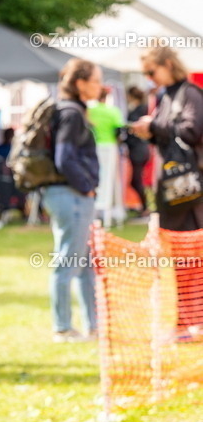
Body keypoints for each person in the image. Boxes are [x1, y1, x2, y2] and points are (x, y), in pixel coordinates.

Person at [131, 46, 203, 334]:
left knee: (192, 256)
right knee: (182, 259)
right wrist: (151, 131)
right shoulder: (165, 96)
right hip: (173, 190)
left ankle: (193, 321)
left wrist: (155, 126)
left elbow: (191, 131)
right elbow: (168, 134)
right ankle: (189, 321)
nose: (150, 78)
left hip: (190, 192)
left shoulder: (190, 93)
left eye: (152, 71)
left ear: (168, 64)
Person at [41, 60, 101, 342]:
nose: (100, 86)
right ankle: (63, 328)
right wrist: (87, 187)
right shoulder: (71, 113)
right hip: (71, 195)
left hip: (66, 195)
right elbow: (64, 158)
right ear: (80, 83)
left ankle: (93, 325)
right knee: (68, 262)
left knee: (83, 263)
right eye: (95, 81)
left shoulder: (69, 110)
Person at [86, 86, 125, 226]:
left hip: (93, 147)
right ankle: (109, 214)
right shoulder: (113, 111)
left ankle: (96, 212)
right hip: (109, 147)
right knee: (109, 181)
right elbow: (119, 130)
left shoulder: (89, 111)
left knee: (95, 178)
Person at [122, 85, 152, 214]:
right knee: (136, 179)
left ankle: (145, 207)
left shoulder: (139, 110)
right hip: (138, 148)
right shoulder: (138, 109)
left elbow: (136, 128)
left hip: (138, 149)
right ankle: (144, 206)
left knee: (136, 179)